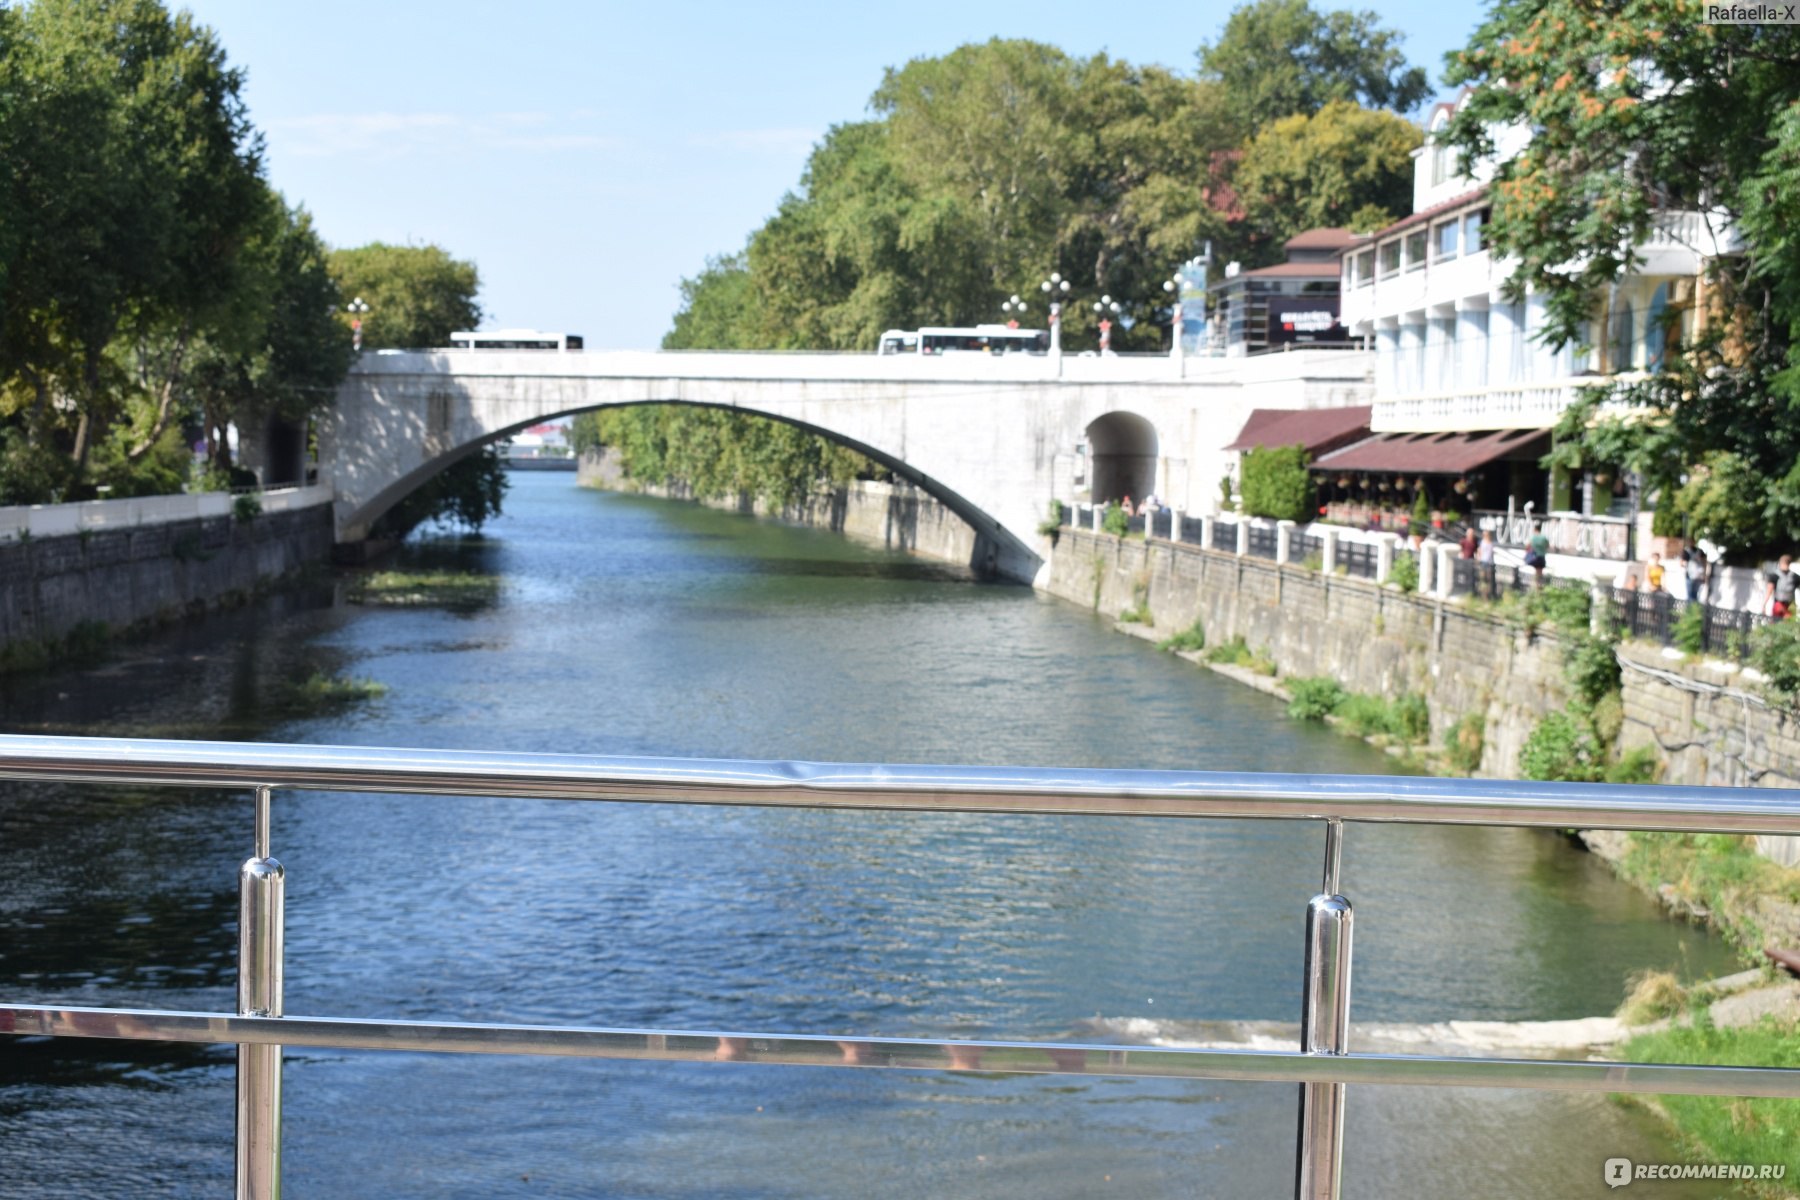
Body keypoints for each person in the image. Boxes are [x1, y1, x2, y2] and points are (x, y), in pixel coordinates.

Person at [1765, 554, 1798, 620]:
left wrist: (1764, 605)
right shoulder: (1795, 576)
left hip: (1778, 605)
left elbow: (1769, 591)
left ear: (1780, 562)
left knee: (1775, 624)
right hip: (1790, 606)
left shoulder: (1774, 576)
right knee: (1788, 626)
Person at [1525, 523, 1550, 588]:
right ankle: (1540, 586)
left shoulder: (1533, 537)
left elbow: (1527, 546)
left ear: (1535, 529)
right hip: (1542, 557)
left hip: (1535, 557)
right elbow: (1547, 546)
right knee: (1540, 572)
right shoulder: (1543, 537)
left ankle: (1537, 587)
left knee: (1536, 572)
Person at [1477, 529, 1496, 599]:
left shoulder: (1490, 542)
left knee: (1488, 579)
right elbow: (1479, 550)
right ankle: (1483, 595)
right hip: (1483, 561)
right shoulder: (1482, 542)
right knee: (1483, 578)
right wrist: (1479, 558)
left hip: (1489, 562)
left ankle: (1487, 595)